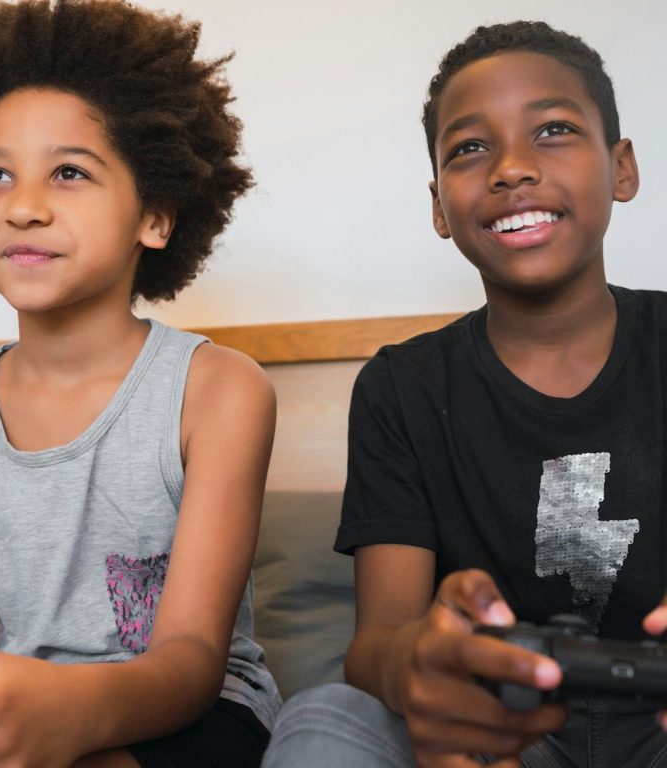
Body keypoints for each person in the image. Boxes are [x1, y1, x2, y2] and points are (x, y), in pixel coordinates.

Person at [262, 19, 667, 768]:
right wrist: (416, 659)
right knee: (322, 717)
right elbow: (377, 643)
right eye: (470, 148)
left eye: (552, 130)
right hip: (490, 732)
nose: (512, 168)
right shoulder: (401, 387)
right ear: (440, 208)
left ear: (622, 168)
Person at [0, 1, 281, 766]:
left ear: (156, 216)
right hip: (14, 712)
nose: (23, 207)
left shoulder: (218, 391)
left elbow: (191, 662)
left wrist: (63, 717)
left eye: (69, 172)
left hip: (198, 714)